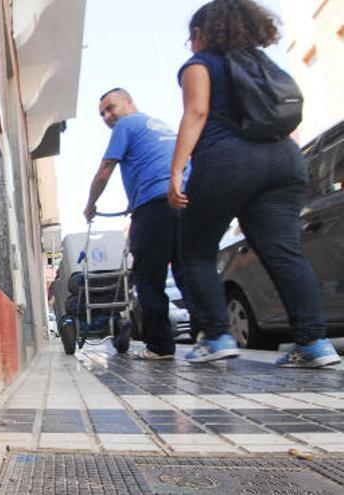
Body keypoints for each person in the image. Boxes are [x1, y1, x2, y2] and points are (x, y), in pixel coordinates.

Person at [169, 0, 341, 367]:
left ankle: (216, 336)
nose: (191, 45)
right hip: (284, 162)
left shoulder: (200, 65)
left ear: (201, 34)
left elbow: (196, 113)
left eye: (191, 38)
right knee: (284, 252)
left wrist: (176, 171)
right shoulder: (265, 65)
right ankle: (313, 343)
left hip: (226, 161)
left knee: (195, 251)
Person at [84, 88, 188, 360]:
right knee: (188, 271)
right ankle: (211, 338)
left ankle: (160, 346)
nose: (107, 116)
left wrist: (90, 205)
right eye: (102, 113)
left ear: (129, 102)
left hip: (155, 205)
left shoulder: (127, 124)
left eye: (110, 108)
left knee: (148, 277)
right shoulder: (159, 126)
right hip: (185, 199)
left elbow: (106, 169)